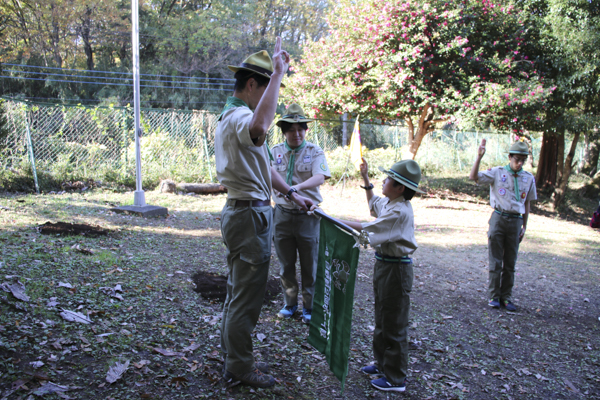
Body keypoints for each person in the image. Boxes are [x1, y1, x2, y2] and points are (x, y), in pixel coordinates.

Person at [214, 38, 315, 388]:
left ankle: (233, 356)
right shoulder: (242, 116)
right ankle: (239, 368)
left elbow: (262, 166)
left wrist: (291, 193)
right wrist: (278, 74)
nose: (272, 96)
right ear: (253, 84)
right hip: (248, 215)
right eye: (268, 86)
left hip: (244, 211)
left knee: (237, 292)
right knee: (246, 297)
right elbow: (260, 127)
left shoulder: (233, 116)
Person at [331, 157, 423, 392]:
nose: (384, 181)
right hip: (384, 265)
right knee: (382, 317)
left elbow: (366, 228)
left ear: (400, 187)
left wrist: (329, 219)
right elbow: (374, 207)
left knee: (395, 322)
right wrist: (365, 178)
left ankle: (395, 378)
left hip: (397, 269)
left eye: (388, 179)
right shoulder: (392, 203)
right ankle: (382, 364)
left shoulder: (399, 212)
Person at [271, 104, 331, 324]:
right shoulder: (275, 151)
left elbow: (320, 177)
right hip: (282, 215)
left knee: (309, 264)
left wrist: (295, 189)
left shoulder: (314, 151)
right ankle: (289, 304)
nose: (296, 134)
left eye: (300, 129)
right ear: (284, 132)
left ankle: (309, 307)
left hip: (308, 216)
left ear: (306, 130)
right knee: (286, 264)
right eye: (291, 129)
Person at [469, 139, 537, 312]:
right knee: (495, 260)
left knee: (510, 262)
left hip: (516, 221)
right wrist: (479, 157)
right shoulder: (498, 173)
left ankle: (506, 297)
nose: (520, 162)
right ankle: (494, 296)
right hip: (499, 218)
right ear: (510, 157)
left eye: (523, 159)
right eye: (517, 159)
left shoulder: (528, 178)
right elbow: (473, 177)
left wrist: (525, 226)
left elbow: (527, 203)